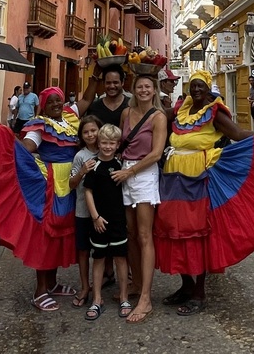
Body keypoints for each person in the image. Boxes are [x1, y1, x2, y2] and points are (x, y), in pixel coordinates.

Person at [156, 69, 254, 316]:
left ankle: (199, 293)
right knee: (173, 229)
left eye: (201, 86)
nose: (196, 90)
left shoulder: (214, 112)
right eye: (193, 86)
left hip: (199, 176)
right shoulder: (180, 110)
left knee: (197, 232)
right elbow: (154, 116)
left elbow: (237, 135)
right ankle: (186, 285)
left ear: (208, 88)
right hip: (173, 177)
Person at [0, 81, 101, 312]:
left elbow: (86, 99)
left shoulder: (69, 118)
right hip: (52, 184)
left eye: (59, 100)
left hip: (71, 183)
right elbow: (27, 147)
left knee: (61, 234)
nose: (56, 104)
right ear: (43, 106)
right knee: (47, 234)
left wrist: (95, 76)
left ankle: (53, 283)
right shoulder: (39, 126)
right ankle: (40, 291)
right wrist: (8, 136)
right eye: (51, 102)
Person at [110, 74, 167, 324]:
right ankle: (136, 283)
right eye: (139, 87)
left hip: (143, 175)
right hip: (126, 173)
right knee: (130, 233)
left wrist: (130, 171)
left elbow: (155, 154)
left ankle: (146, 298)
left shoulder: (158, 117)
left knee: (145, 236)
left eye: (148, 87)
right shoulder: (125, 114)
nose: (144, 90)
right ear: (134, 90)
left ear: (154, 91)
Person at [83, 123, 131, 321]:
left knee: (121, 259)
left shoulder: (121, 166)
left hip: (118, 220)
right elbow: (88, 192)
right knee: (99, 259)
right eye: (104, 143)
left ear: (117, 144)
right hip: (99, 221)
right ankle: (97, 299)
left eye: (112, 143)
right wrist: (95, 216)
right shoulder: (94, 166)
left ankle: (124, 297)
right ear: (99, 143)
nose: (108, 147)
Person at [68, 115, 102, 308]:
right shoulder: (80, 156)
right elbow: (72, 184)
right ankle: (84, 286)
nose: (90, 135)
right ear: (81, 135)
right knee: (83, 250)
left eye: (93, 130)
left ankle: (99, 286)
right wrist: (82, 171)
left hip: (102, 211)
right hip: (82, 211)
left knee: (101, 251)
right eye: (86, 132)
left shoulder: (108, 150)